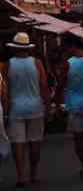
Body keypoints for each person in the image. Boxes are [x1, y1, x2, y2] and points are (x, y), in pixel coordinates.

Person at [2, 32, 50, 188]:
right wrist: (48, 105)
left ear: (14, 48)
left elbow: (5, 90)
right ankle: (34, 174)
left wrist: (6, 109)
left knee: (18, 142)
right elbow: (44, 86)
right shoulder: (37, 63)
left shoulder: (8, 64)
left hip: (16, 108)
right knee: (35, 141)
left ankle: (21, 175)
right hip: (35, 106)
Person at [59, 38, 83, 176]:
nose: (68, 50)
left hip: (74, 103)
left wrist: (58, 103)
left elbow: (61, 84)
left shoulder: (68, 63)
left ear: (74, 47)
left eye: (68, 47)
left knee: (78, 137)